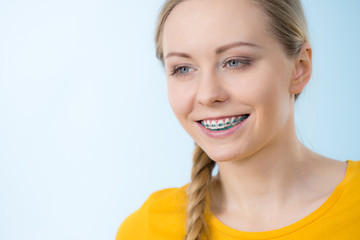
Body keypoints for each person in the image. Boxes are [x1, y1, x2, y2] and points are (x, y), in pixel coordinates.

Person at [116, 0, 360, 239]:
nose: (208, 95)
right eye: (183, 69)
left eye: (235, 62)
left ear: (299, 67)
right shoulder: (145, 230)